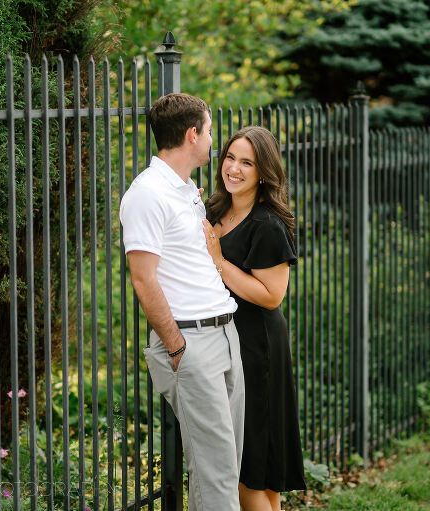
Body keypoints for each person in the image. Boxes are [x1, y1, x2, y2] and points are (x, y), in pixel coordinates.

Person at [119, 93, 245, 511]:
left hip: (224, 333)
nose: (213, 140)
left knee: (226, 464)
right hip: (191, 343)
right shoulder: (148, 193)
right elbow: (143, 277)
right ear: (192, 134)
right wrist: (176, 346)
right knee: (216, 472)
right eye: (209, 131)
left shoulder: (186, 187)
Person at [202, 126, 307, 511]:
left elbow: (272, 295)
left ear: (263, 171)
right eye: (230, 157)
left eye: (246, 162)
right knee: (259, 471)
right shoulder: (216, 209)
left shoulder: (268, 224)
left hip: (256, 347)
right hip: (225, 341)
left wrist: (218, 261)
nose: (234, 168)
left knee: (248, 473)